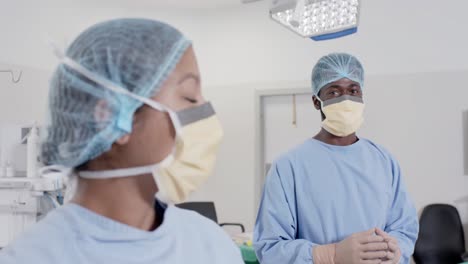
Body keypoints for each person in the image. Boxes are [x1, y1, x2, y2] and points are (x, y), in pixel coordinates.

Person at [0, 18, 243, 264]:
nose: (205, 113)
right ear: (112, 117)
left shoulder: (211, 246)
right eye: (190, 97)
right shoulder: (30, 257)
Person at [253, 53, 419, 264]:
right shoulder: (288, 167)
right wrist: (329, 255)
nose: (346, 99)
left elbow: (404, 228)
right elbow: (270, 248)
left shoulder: (383, 161)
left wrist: (394, 251)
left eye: (353, 90)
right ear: (316, 101)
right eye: (334, 91)